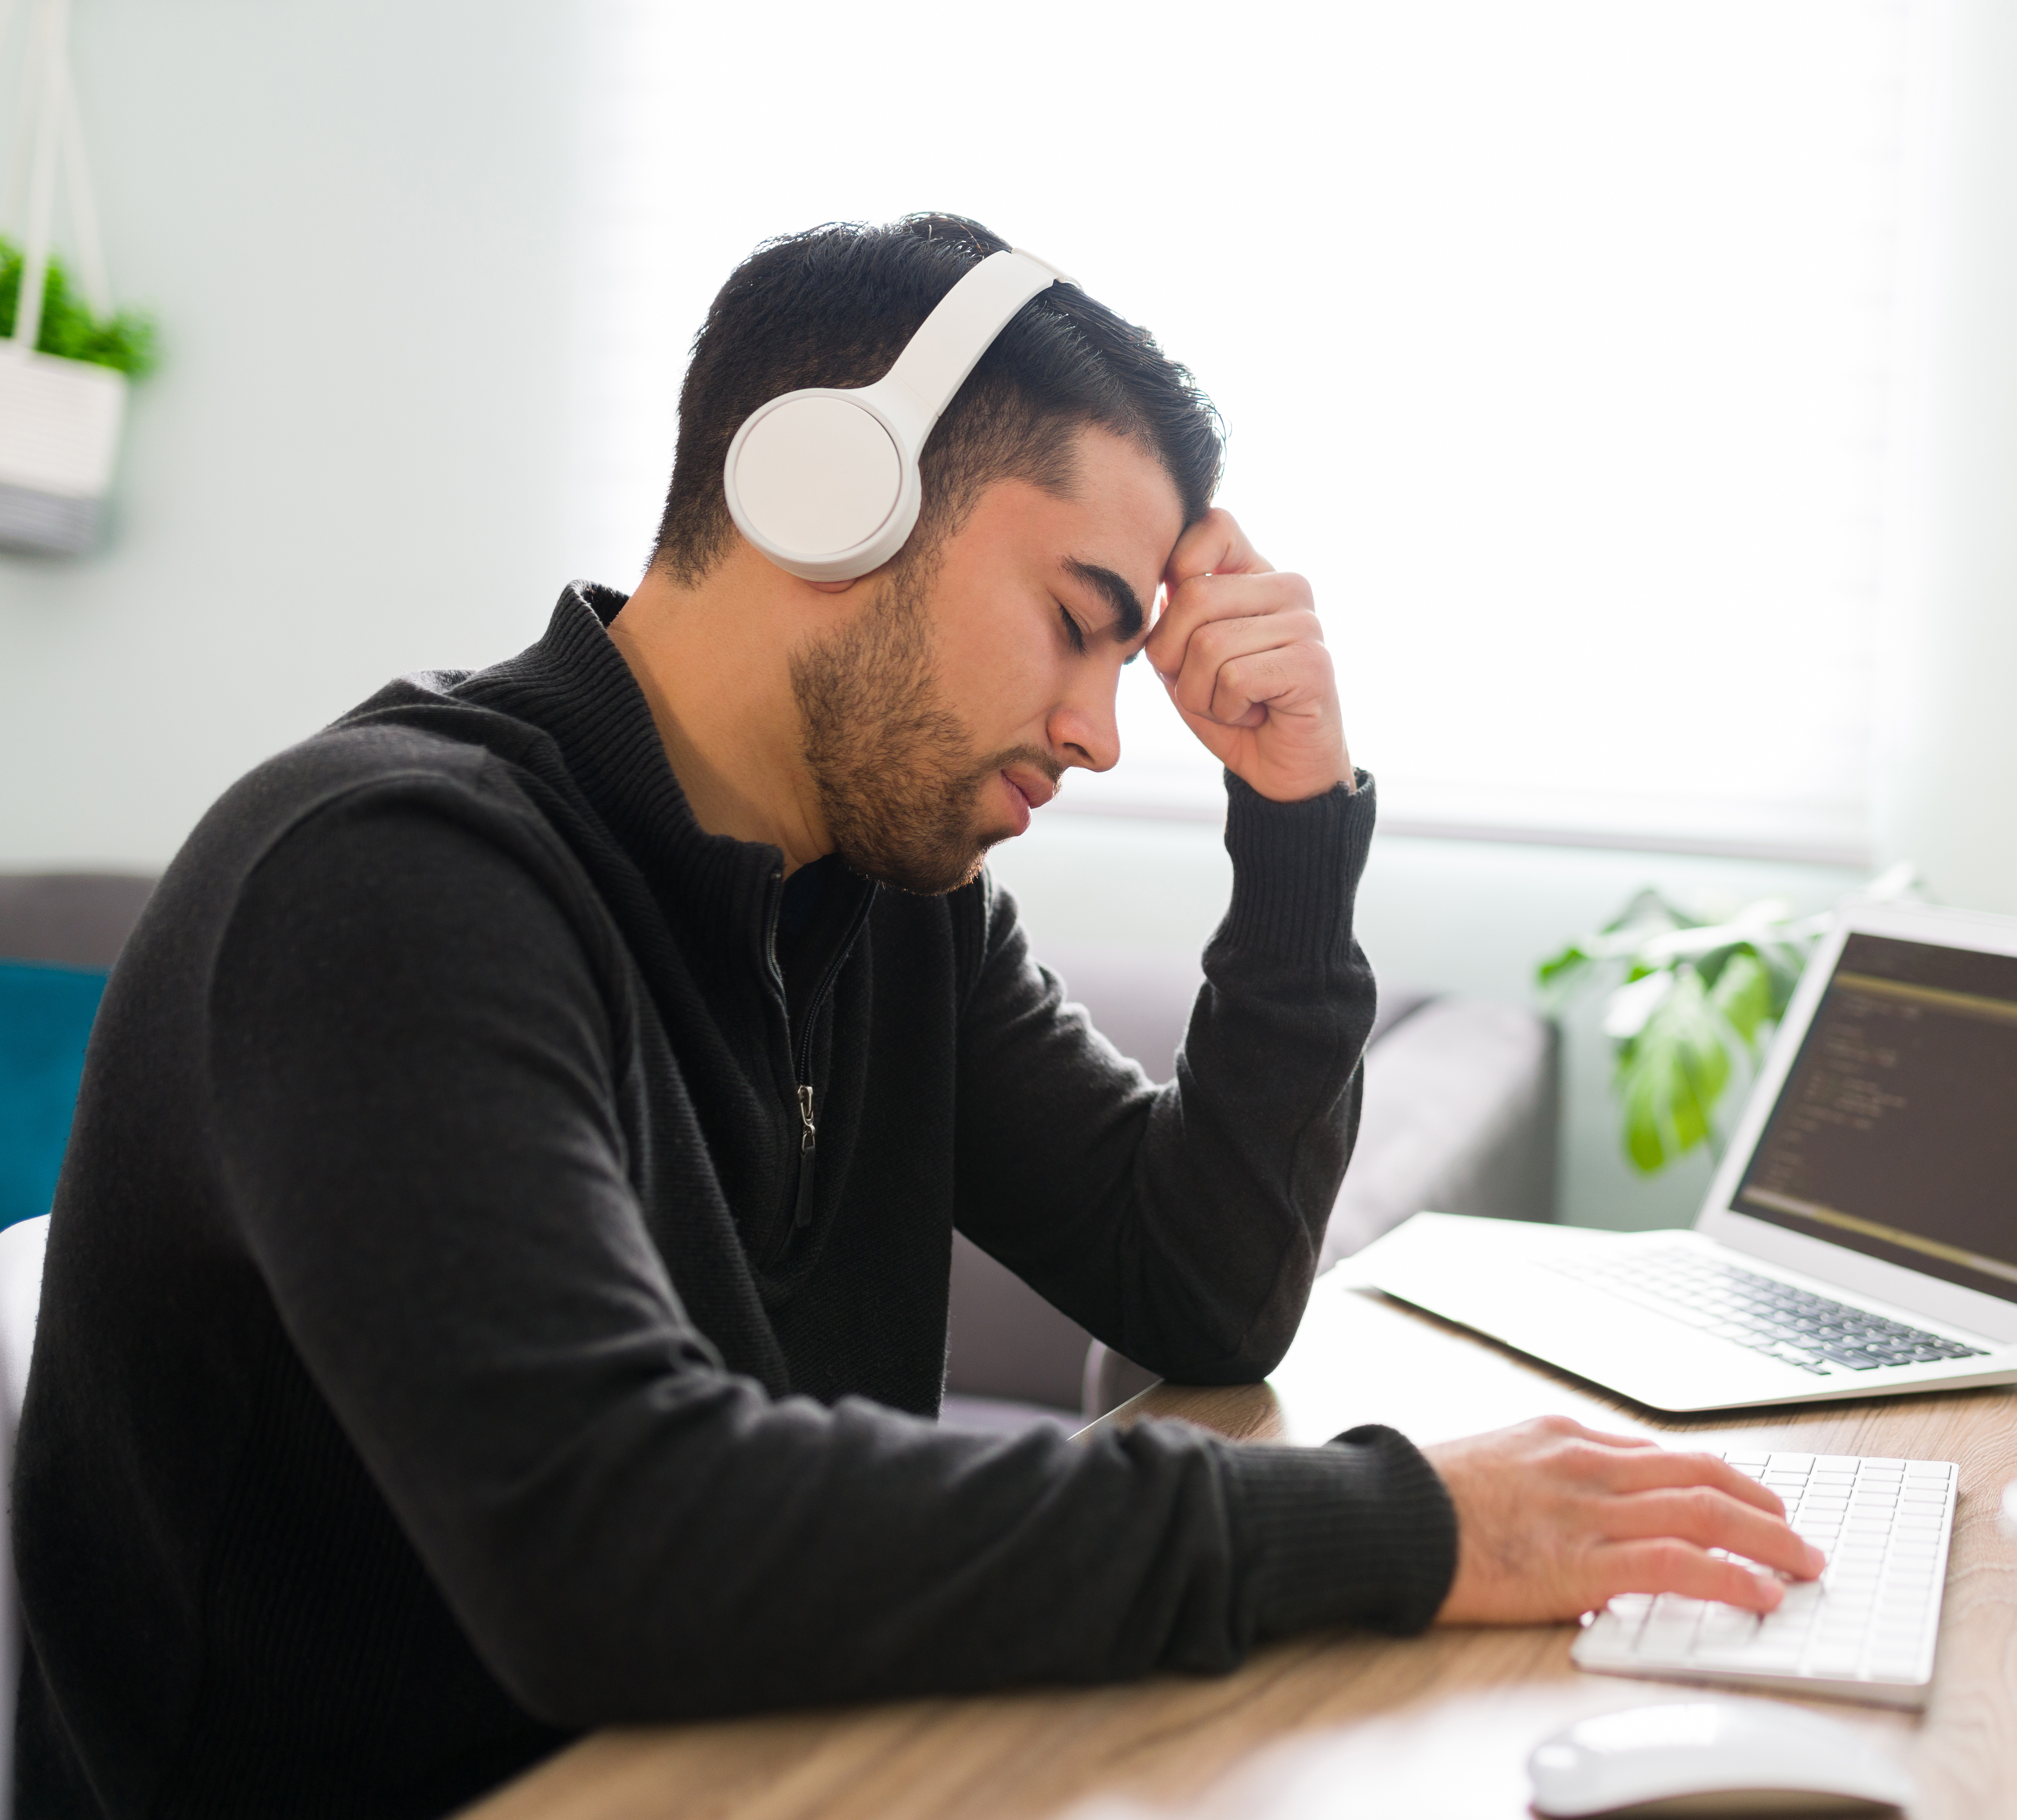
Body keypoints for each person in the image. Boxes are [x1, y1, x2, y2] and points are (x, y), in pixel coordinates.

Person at [13, 215, 1817, 1818]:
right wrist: (1419, 1522)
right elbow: (620, 1542)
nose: (1109, 732)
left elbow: (1200, 1282)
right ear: (826, 488)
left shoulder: (887, 907)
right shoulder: (387, 878)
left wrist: (1293, 823)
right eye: (1079, 620)